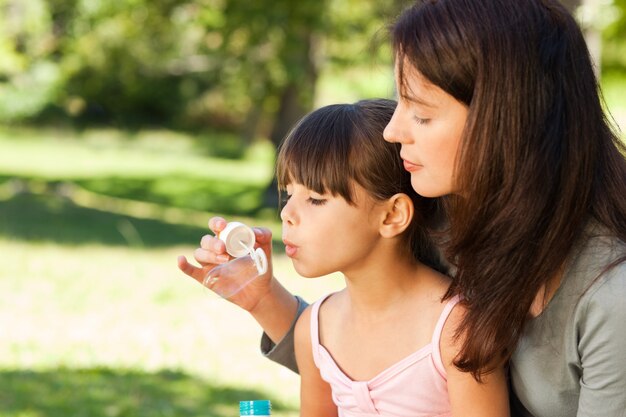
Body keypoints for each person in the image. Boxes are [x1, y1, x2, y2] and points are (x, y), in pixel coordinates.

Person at [180, 1, 626, 416]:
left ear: (507, 121)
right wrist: (263, 300)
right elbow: (385, 371)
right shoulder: (442, 221)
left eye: (422, 113)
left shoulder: (611, 294)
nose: (393, 131)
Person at [180, 99, 510, 417]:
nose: (287, 213)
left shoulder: (458, 331)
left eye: (316, 199)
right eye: (289, 193)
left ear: (392, 215)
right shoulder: (316, 329)